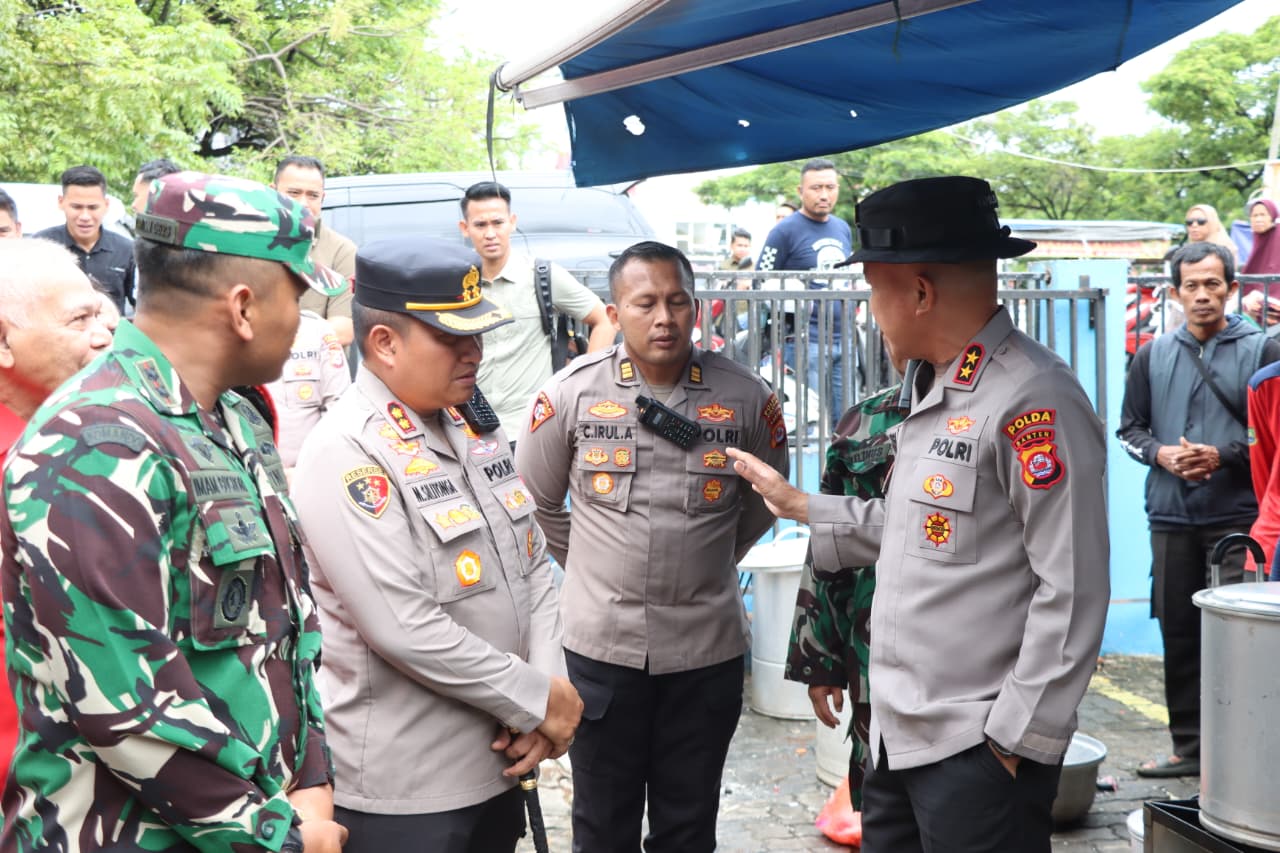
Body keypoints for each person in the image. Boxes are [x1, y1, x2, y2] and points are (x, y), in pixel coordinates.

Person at [729, 176, 1110, 853]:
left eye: (875, 290)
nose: (871, 311)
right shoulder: (934, 390)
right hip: (897, 738)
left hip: (976, 748)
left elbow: (1074, 587)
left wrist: (1013, 742)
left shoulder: (1032, 399)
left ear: (921, 293)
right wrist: (802, 506)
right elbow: (920, 531)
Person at [1, 171, 350, 852]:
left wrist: (309, 778)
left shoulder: (234, 419)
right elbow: (125, 711)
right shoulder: (93, 443)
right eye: (297, 296)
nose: (303, 319)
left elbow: (285, 626)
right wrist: (281, 837)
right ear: (243, 307)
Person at [291, 238, 582, 853]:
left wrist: (545, 692)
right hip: (409, 790)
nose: (474, 352)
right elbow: (403, 626)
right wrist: (536, 698)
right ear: (385, 343)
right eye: (452, 337)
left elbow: (532, 566)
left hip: (500, 761)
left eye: (477, 335)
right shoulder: (347, 449)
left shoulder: (470, 423)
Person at [516, 240, 790, 853]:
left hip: (705, 652)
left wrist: (709, 561)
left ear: (696, 306)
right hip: (601, 653)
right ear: (615, 313)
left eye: (677, 301)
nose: (664, 318)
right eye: (645, 304)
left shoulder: (747, 398)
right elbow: (535, 504)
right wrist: (592, 569)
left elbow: (766, 502)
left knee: (688, 827)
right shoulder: (570, 394)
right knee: (602, 825)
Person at [1118, 240, 1280, 777]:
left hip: (1240, 520)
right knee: (1180, 634)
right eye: (1192, 286)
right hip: (1170, 517)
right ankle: (1188, 749)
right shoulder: (1152, 354)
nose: (1203, 295)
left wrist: (1222, 455)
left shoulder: (1262, 351)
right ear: (1175, 293)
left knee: (1242, 640)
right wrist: (1162, 455)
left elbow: (1269, 440)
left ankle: (1247, 757)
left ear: (1232, 289)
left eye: (1213, 284)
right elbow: (1129, 431)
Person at [0, 238, 115, 788]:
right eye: (79, 320)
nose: (104, 335)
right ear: (4, 341)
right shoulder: (27, 460)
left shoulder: (101, 434)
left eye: (101, 314)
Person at [784, 362, 907, 814]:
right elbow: (828, 548)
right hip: (870, 659)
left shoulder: (991, 411)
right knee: (884, 808)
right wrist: (820, 661)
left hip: (968, 677)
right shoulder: (863, 423)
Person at [460, 181, 615, 437]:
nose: (490, 233)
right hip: (472, 428)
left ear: (512, 222)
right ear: (465, 228)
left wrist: (585, 385)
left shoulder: (541, 275)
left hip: (533, 428)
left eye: (497, 223)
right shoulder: (457, 283)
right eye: (480, 225)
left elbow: (606, 320)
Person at [756, 158, 853, 418]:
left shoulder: (842, 228)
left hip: (844, 338)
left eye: (830, 187)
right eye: (816, 187)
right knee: (809, 420)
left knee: (846, 419)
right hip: (804, 342)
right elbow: (760, 279)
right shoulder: (783, 231)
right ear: (800, 191)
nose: (824, 195)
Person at [272, 156, 357, 346]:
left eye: (313, 195)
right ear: (273, 193)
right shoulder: (250, 243)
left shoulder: (341, 251)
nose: (303, 203)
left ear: (322, 198)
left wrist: (269, 337)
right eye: (293, 193)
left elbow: (343, 331)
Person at [33, 165, 135, 313]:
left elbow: (140, 305)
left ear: (106, 205)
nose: (85, 216)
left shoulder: (127, 250)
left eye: (93, 208)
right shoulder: (41, 246)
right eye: (76, 207)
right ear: (61, 202)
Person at [264, 310, 350, 473]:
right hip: (245, 475)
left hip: (308, 472)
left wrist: (307, 472)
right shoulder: (227, 333)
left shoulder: (317, 331)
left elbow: (338, 411)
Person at [1242, 198, 1280, 275]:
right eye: (1255, 215)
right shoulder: (1257, 239)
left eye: (1263, 215)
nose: (1258, 219)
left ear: (1272, 217)